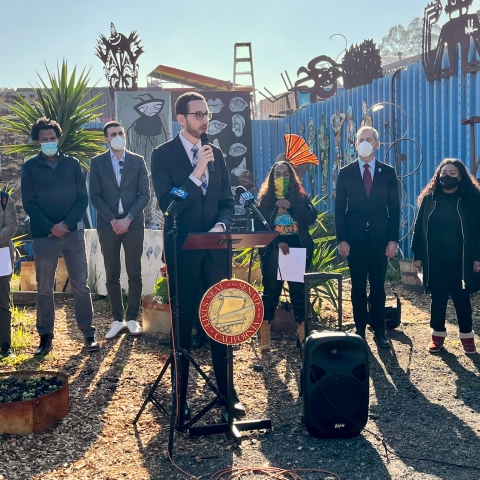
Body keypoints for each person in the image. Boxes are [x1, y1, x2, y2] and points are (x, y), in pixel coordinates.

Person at [151, 92, 244, 421]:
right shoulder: (162, 155)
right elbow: (169, 203)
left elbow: (227, 201)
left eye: (206, 114)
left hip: (215, 252)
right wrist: (196, 171)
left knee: (221, 321)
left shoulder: (217, 153)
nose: (204, 120)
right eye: (197, 114)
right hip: (182, 254)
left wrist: (221, 224)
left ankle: (226, 392)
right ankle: (180, 396)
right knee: (184, 323)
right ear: (181, 119)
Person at [21, 117, 99, 356]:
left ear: (58, 139)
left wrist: (65, 224)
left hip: (72, 233)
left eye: (52, 139)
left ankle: (88, 332)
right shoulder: (30, 167)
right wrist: (50, 227)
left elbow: (81, 199)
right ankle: (45, 336)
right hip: (44, 236)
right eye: (44, 140)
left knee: (81, 285)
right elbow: (29, 203)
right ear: (37, 142)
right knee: (44, 287)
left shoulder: (73, 164)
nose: (49, 142)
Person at [334, 126, 400, 348]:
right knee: (358, 287)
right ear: (355, 144)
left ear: (377, 144)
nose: (365, 142)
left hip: (380, 240)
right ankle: (360, 328)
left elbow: (395, 209)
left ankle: (380, 330)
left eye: (369, 139)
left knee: (378, 286)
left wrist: (393, 240)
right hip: (354, 240)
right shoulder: (346, 172)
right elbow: (339, 209)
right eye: (361, 139)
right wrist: (341, 239)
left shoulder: (388, 172)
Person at [411, 158, 480, 354]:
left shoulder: (471, 198)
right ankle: (437, 336)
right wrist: (417, 255)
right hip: (435, 259)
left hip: (462, 258)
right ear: (438, 176)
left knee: (461, 298)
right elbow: (418, 228)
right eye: (443, 173)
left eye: (452, 173)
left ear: (460, 177)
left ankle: (467, 337)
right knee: (438, 297)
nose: (447, 176)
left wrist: (478, 256)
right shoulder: (430, 198)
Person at [89, 121, 150, 339]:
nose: (117, 136)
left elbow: (145, 193)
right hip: (108, 224)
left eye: (120, 133)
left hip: (133, 223)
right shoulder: (97, 163)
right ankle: (117, 319)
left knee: (134, 271)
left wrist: (128, 218)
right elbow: (94, 195)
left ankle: (133, 318)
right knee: (111, 271)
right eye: (113, 134)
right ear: (106, 139)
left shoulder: (137, 161)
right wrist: (114, 219)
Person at [256, 160, 317, 350]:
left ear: (291, 177)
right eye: (277, 174)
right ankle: (265, 332)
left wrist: (291, 206)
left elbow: (311, 217)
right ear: (271, 178)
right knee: (271, 291)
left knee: (298, 293)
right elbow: (260, 228)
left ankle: (302, 334)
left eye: (285, 174)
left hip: (296, 248)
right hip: (274, 249)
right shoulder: (265, 201)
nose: (281, 178)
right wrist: (276, 242)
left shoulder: (300, 197)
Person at [0, 191, 18, 358]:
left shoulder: (4, 199)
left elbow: (11, 226)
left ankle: (5, 345)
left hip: (1, 255)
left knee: (3, 302)